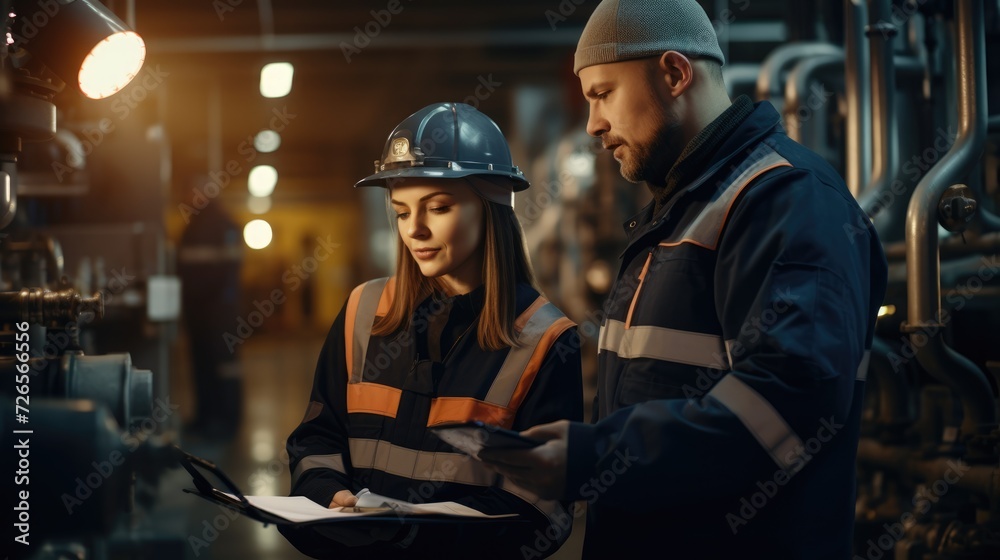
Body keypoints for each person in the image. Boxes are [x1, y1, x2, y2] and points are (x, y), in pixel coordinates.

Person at [479, 1, 888, 558]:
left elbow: (786, 404)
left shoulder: (786, 203)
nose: (594, 124)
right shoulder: (678, 211)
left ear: (674, 73)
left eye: (602, 94)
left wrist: (595, 458)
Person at [279, 102, 584, 559]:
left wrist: (414, 535)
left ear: (492, 208)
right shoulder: (364, 311)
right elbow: (317, 437)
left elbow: (539, 508)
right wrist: (327, 493)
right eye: (401, 212)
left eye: (438, 207)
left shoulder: (545, 340)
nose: (415, 230)